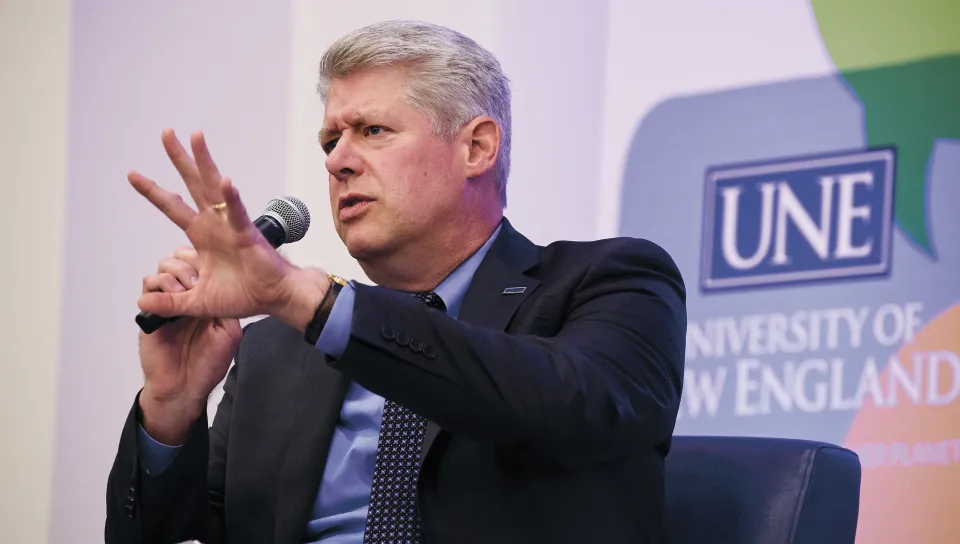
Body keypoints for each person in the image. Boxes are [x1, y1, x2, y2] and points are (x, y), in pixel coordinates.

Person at [105, 19, 686, 544]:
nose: (337, 162)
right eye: (331, 141)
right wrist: (172, 407)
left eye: (373, 131)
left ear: (477, 148)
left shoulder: (607, 282)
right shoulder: (275, 350)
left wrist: (304, 297)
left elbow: (567, 406)